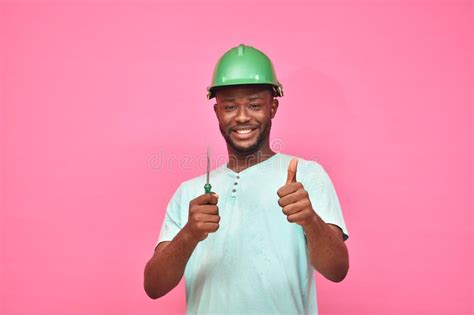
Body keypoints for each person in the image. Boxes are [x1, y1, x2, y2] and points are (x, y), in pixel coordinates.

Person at [144, 44, 349, 314]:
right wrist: (189, 235)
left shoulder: (306, 175)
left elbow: (337, 271)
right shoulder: (189, 193)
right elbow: (154, 286)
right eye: (230, 106)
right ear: (217, 112)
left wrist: (310, 219)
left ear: (272, 107)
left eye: (254, 105)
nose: (242, 117)